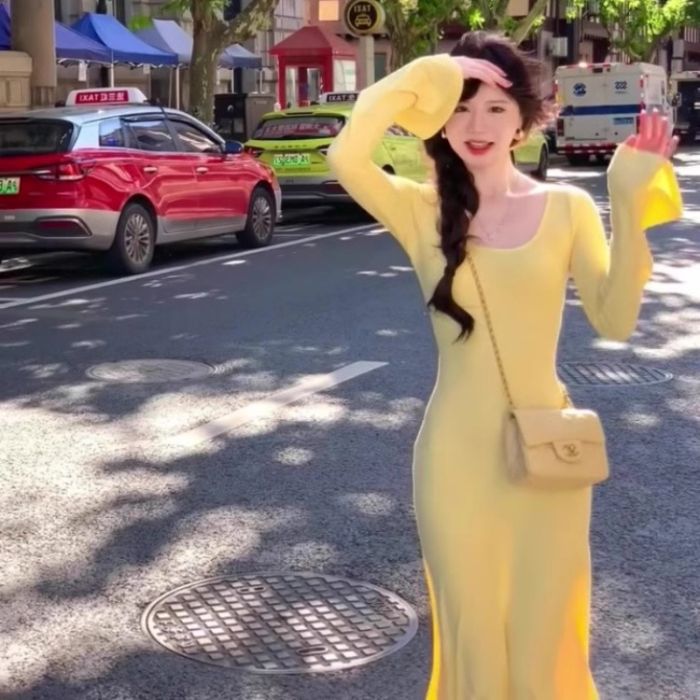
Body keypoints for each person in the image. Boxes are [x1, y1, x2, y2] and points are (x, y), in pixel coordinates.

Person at [327, 31, 682, 699]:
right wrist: (431, 74)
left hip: (547, 456)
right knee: (474, 632)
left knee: (543, 631)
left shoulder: (568, 208)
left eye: (495, 107)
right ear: (440, 122)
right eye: (460, 108)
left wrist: (628, 206)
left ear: (524, 119)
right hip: (454, 461)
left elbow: (614, 320)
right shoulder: (420, 209)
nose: (477, 125)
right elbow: (345, 153)